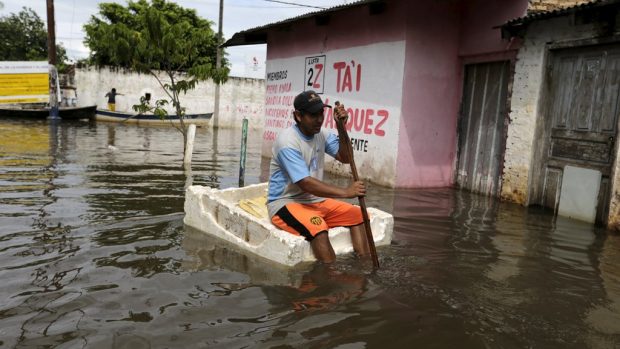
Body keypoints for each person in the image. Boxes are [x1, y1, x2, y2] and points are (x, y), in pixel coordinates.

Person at [267, 90, 370, 263]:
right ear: (298, 116)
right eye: (313, 115)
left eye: (321, 113)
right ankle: (330, 279)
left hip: (314, 201)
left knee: (359, 214)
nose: (319, 119)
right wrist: (346, 192)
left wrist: (341, 127)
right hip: (285, 203)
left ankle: (364, 265)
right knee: (319, 227)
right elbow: (305, 183)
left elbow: (345, 157)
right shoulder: (287, 142)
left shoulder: (322, 134)